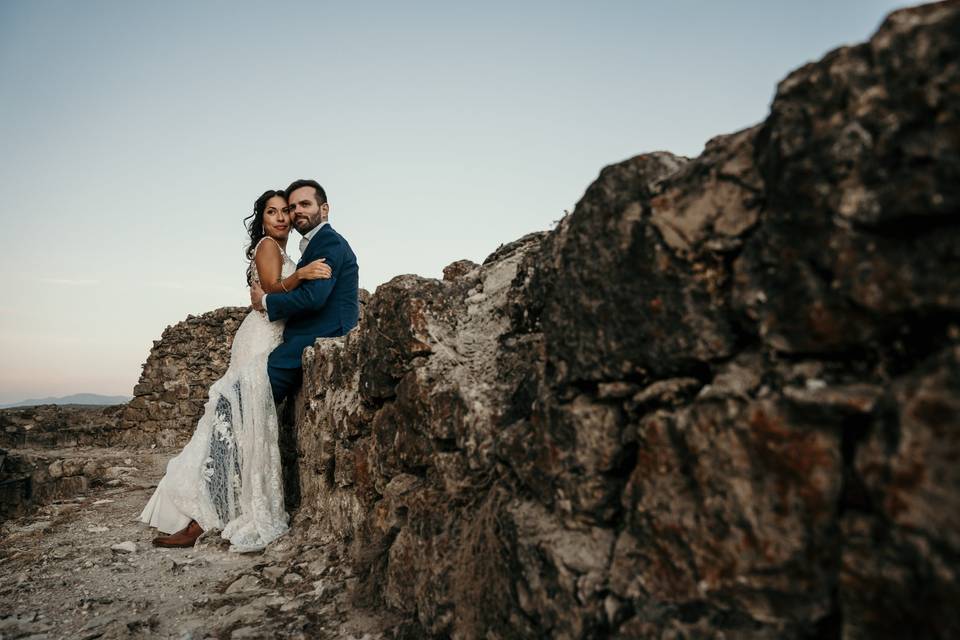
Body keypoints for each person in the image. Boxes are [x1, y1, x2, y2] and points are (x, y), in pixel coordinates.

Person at [139, 189, 332, 551]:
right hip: (258, 340)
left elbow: (273, 297)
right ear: (262, 219)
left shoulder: (284, 250)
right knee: (232, 420)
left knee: (239, 424)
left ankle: (213, 509)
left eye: (284, 211)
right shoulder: (268, 247)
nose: (279, 217)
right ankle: (198, 518)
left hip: (270, 338)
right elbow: (274, 289)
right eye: (271, 212)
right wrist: (303, 274)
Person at [250, 179, 360, 406]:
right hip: (303, 334)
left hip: (322, 332)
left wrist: (266, 301)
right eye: (294, 207)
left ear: (324, 209)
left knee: (253, 396)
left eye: (305, 204)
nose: (297, 211)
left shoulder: (327, 241)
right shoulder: (312, 244)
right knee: (248, 393)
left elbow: (314, 297)